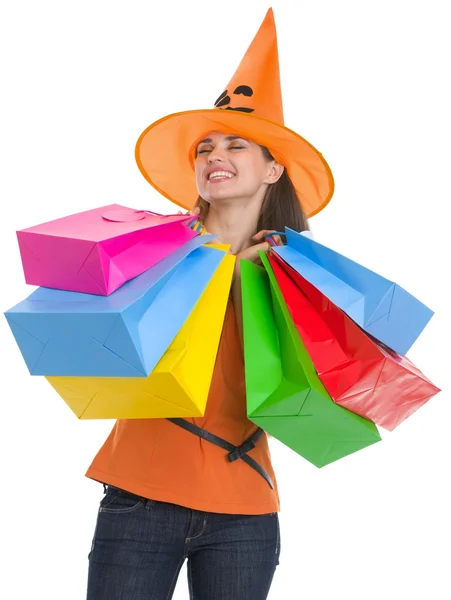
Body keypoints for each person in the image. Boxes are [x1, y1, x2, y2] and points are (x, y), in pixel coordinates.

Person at [85, 8, 334, 600]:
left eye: (235, 144)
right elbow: (109, 349)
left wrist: (272, 282)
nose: (214, 154)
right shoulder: (148, 246)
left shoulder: (301, 273)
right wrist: (217, 268)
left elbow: (315, 389)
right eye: (205, 147)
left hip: (246, 505)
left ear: (273, 168)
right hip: (139, 494)